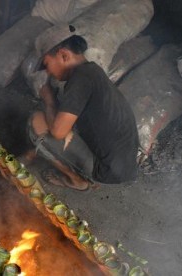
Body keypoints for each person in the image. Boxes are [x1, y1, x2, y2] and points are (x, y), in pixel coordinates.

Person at [28, 24, 139, 190]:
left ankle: (78, 180)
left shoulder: (80, 79)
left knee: (37, 122)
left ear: (64, 55)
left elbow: (58, 132)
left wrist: (49, 100)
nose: (49, 72)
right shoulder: (92, 71)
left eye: (47, 65)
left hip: (107, 170)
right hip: (124, 165)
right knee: (60, 115)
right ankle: (84, 171)